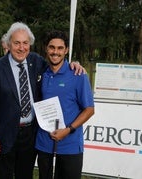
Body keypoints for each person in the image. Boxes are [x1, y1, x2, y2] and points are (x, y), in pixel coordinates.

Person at [0, 22, 85, 179]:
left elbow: (56, 62)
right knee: (3, 175)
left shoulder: (36, 62)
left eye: (25, 43)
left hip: (30, 135)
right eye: (17, 43)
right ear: (8, 44)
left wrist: (73, 64)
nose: (21, 48)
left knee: (25, 175)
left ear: (30, 44)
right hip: (4, 135)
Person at [35, 30, 95, 179]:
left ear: (66, 50)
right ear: (46, 49)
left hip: (70, 145)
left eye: (60, 48)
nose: (55, 52)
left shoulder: (78, 74)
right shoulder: (41, 72)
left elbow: (89, 110)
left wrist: (68, 130)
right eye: (52, 47)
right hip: (44, 144)